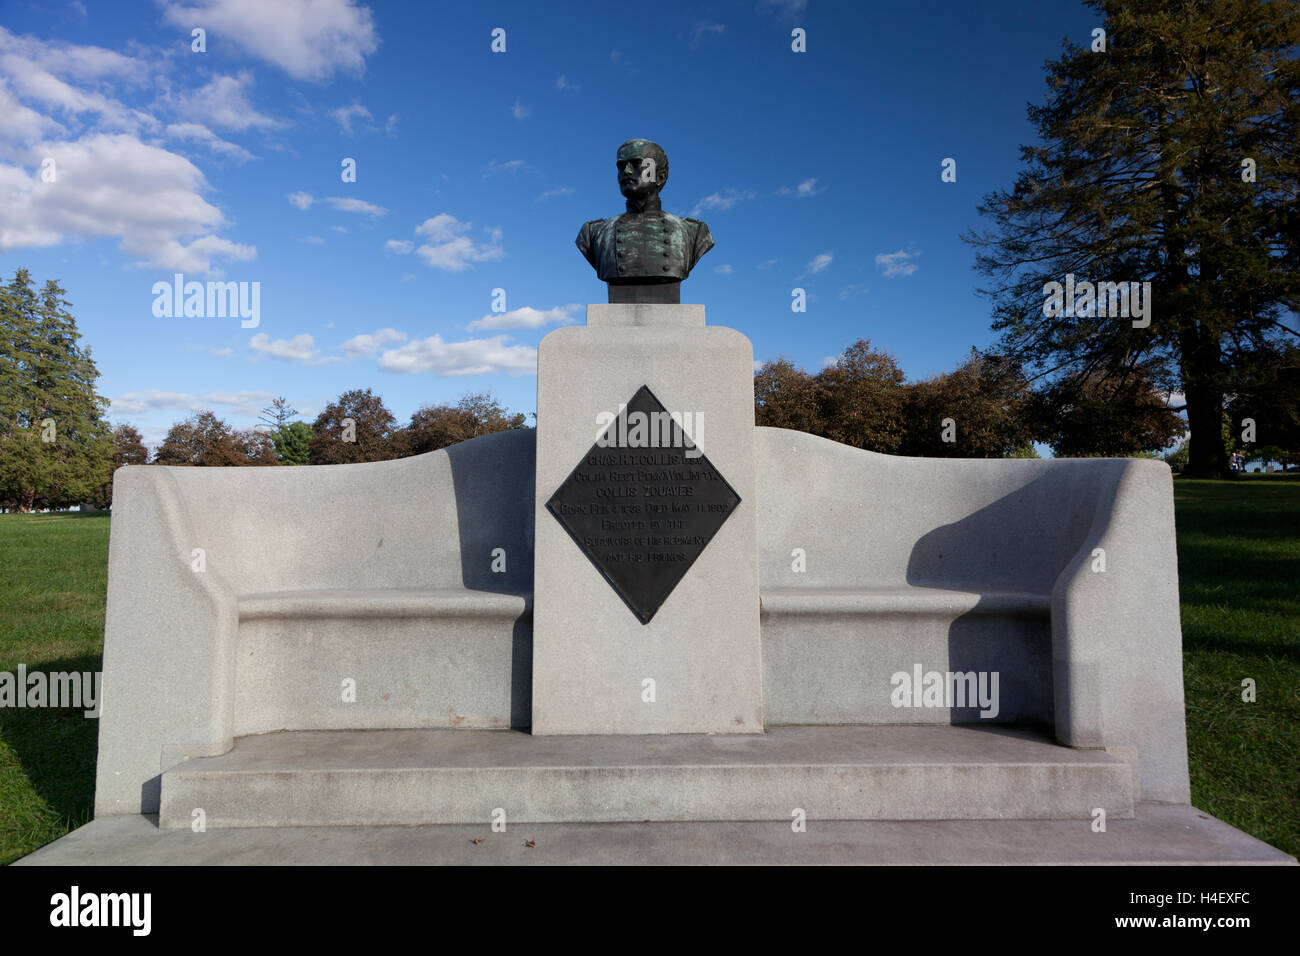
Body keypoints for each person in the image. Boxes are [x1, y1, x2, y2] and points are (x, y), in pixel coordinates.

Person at [575, 139, 714, 303]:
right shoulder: (594, 232)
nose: (626, 171)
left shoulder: (694, 231)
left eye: (636, 164)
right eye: (621, 166)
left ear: (660, 177)